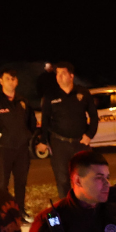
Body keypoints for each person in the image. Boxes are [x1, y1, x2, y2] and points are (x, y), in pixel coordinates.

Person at [38, 62, 98, 198]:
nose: (59, 77)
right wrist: (43, 141)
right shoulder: (50, 95)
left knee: (85, 178)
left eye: (63, 73)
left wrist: (89, 135)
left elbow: (94, 116)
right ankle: (66, 209)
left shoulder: (83, 93)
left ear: (71, 76)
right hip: (60, 144)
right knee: (63, 180)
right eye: (57, 74)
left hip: (81, 143)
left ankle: (87, 208)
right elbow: (45, 120)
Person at [0, 68, 36, 207]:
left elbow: (32, 122)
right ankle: (4, 210)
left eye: (13, 79)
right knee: (2, 183)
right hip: (4, 149)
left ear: (17, 81)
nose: (11, 81)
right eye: (7, 78)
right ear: (1, 81)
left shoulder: (23, 101)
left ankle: (20, 210)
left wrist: (27, 135)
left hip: (22, 149)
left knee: (21, 182)